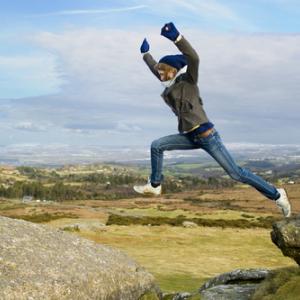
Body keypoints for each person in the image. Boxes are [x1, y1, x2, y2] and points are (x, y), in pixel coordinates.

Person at [133, 22, 292, 218]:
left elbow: (194, 57)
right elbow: (154, 69)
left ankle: (277, 195)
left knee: (236, 174)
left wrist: (177, 38)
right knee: (156, 145)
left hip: (207, 136)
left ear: (174, 70)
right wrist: (145, 56)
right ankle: (155, 185)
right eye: (160, 71)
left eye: (163, 70)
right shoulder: (170, 84)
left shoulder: (188, 81)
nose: (160, 74)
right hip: (190, 136)